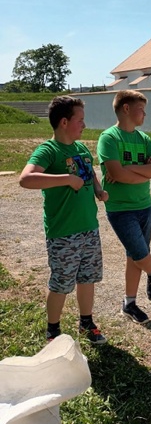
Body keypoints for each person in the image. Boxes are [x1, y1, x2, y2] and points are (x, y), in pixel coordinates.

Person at [20, 96, 108, 345]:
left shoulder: (81, 149)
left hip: (89, 228)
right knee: (61, 282)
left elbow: (90, 172)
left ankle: (86, 323)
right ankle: (53, 331)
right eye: (80, 120)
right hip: (63, 232)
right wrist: (66, 179)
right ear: (64, 122)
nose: (84, 125)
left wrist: (98, 190)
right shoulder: (49, 150)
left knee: (87, 278)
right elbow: (26, 179)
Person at [97, 90, 151, 326]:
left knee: (133, 255)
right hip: (120, 209)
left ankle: (129, 302)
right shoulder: (109, 138)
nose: (145, 114)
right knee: (140, 253)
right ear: (126, 108)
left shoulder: (144, 139)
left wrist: (128, 170)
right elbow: (116, 174)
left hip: (144, 205)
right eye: (141, 109)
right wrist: (143, 172)